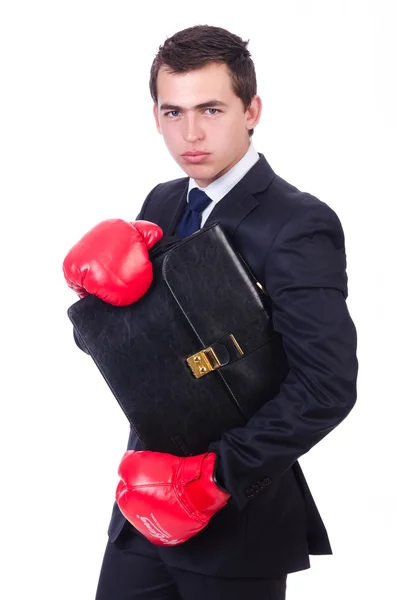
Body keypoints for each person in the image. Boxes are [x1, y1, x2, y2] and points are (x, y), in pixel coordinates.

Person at [64, 24, 358, 600]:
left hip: (237, 522)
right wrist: (95, 310)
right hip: (143, 509)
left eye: (211, 109)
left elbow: (328, 385)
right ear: (155, 116)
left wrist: (215, 475)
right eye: (173, 112)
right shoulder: (162, 202)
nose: (190, 132)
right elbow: (139, 350)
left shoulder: (297, 224)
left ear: (252, 110)